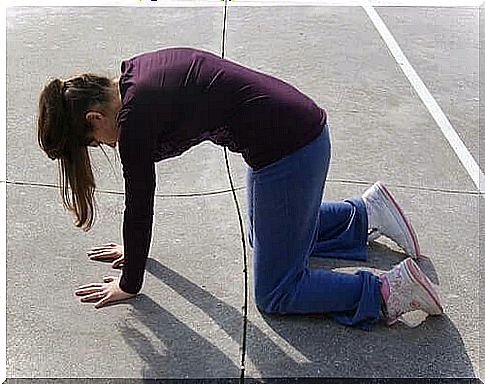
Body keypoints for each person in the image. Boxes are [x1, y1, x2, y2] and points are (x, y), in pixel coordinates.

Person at [36, 47, 443, 329]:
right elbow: (138, 207)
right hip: (292, 134)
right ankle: (365, 215)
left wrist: (129, 283)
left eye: (92, 141)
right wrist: (133, 247)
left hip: (291, 150)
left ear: (93, 116)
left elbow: (139, 205)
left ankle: (391, 290)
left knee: (277, 292)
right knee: (261, 234)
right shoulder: (135, 74)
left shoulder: (135, 121)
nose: (103, 145)